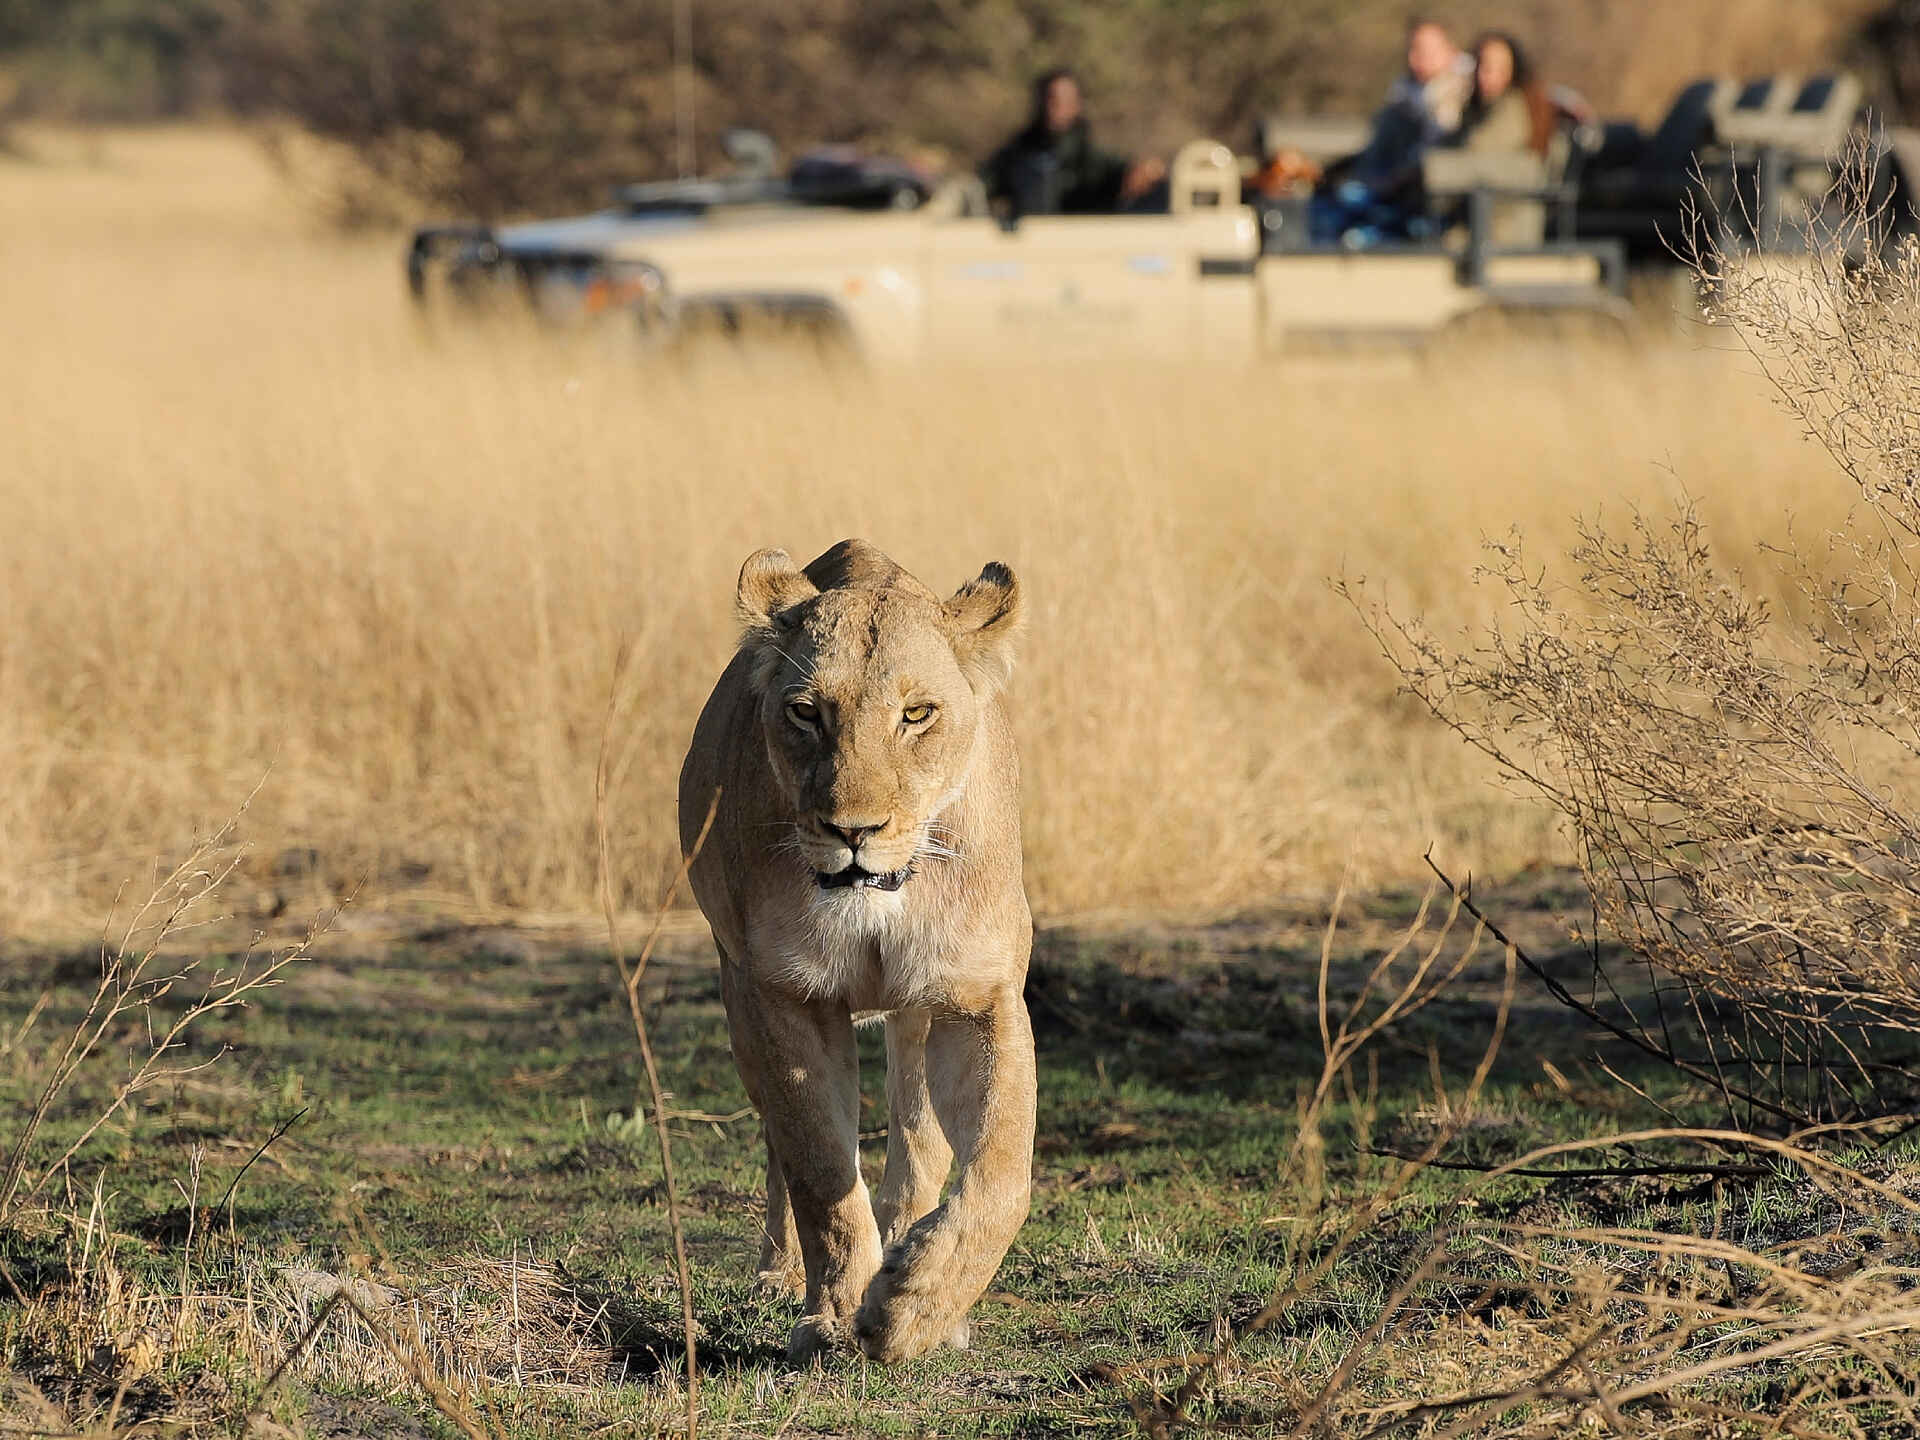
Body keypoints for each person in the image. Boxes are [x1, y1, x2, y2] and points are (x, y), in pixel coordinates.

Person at [1310, 17, 1475, 245]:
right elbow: (1378, 150)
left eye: (1424, 51)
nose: (1414, 59)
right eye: (1412, 50)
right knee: (1328, 207)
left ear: (1451, 51)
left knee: (1354, 230)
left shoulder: (1463, 97)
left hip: (1429, 206)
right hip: (1391, 192)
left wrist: (1393, 181)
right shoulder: (1404, 94)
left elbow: (1435, 157)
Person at [982, 69, 1166, 218]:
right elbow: (986, 183)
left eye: (1065, 100)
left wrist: (1139, 175)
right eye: (1051, 99)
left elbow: (1122, 176)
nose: (1056, 107)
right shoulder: (1019, 153)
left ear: (1077, 104)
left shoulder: (1089, 156)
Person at [1454, 31, 1554, 155]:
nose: (1484, 75)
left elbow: (1479, 149)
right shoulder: (1472, 106)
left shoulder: (1517, 107)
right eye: (1482, 65)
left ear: (1512, 70)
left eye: (1497, 68)